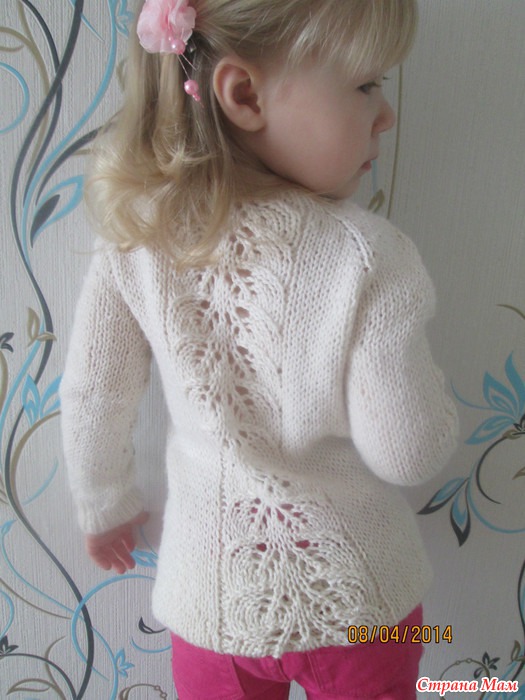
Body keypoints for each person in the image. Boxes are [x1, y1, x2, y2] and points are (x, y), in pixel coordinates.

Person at [60, 0, 459, 698]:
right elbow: (409, 452)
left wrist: (104, 505)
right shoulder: (368, 256)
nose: (386, 116)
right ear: (243, 95)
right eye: (366, 85)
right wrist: (440, 409)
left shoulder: (135, 238)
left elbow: (94, 394)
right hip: (366, 608)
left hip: (212, 606)